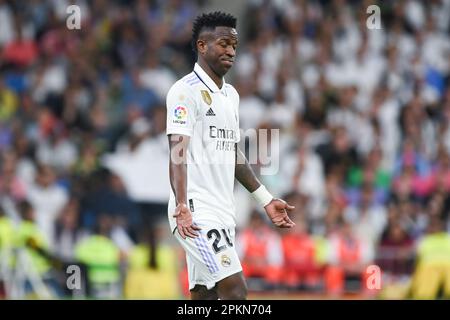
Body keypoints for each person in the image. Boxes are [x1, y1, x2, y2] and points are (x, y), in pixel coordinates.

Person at [166, 11, 295, 300]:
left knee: (205, 295)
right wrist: (183, 205)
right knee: (236, 291)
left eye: (234, 46)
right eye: (223, 43)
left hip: (224, 212)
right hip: (196, 212)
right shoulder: (184, 91)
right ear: (202, 46)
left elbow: (232, 154)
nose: (231, 51)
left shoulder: (231, 96)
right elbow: (177, 152)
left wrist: (265, 199)